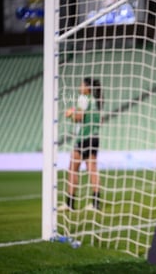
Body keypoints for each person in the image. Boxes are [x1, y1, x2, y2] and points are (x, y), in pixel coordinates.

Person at [58, 77, 103, 211]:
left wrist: (70, 114)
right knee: (92, 170)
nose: (80, 86)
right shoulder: (96, 101)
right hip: (94, 137)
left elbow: (79, 117)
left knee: (72, 169)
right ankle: (95, 203)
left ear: (87, 87)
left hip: (84, 138)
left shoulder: (83, 98)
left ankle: (70, 203)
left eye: (81, 84)